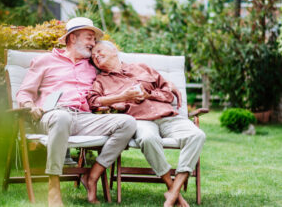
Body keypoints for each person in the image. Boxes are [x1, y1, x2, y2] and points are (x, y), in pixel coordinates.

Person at [16, 18, 136, 206]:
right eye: (89, 38)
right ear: (72, 38)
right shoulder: (44, 61)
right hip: (51, 115)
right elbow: (24, 92)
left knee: (127, 123)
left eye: (94, 40)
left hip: (84, 118)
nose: (93, 44)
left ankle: (93, 175)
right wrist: (30, 106)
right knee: (62, 117)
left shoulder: (92, 66)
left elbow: (115, 74)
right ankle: (54, 185)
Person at [87, 41, 206, 207]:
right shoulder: (101, 81)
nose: (96, 56)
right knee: (148, 139)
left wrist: (148, 94)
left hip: (168, 116)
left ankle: (173, 192)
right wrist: (121, 97)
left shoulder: (142, 67)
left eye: (99, 51)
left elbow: (168, 94)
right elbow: (93, 102)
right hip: (140, 120)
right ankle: (171, 188)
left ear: (114, 51)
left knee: (197, 135)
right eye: (93, 56)